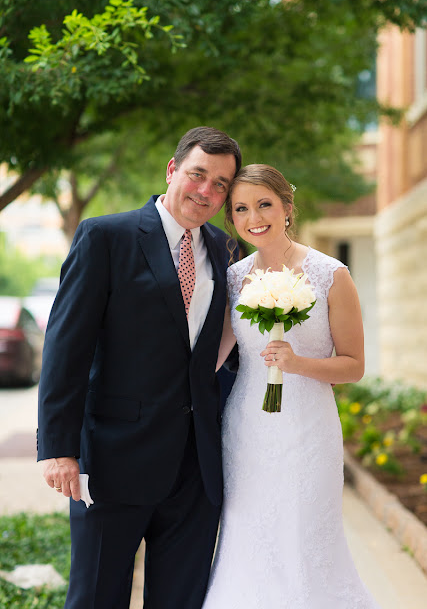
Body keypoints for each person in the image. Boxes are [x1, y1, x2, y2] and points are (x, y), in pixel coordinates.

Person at [37, 126, 241, 609]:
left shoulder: (227, 250)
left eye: (220, 184)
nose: (206, 191)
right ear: (172, 171)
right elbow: (66, 348)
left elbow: (226, 353)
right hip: (113, 461)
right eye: (198, 175)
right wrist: (59, 449)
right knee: (95, 598)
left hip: (197, 471)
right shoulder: (106, 237)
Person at [202, 164, 382, 608]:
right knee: (248, 533)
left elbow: (354, 365)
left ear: (286, 207)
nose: (254, 216)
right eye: (241, 208)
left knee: (305, 536)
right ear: (232, 219)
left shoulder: (331, 275)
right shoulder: (232, 278)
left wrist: (298, 363)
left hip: (308, 430)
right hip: (247, 431)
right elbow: (213, 358)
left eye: (264, 204)